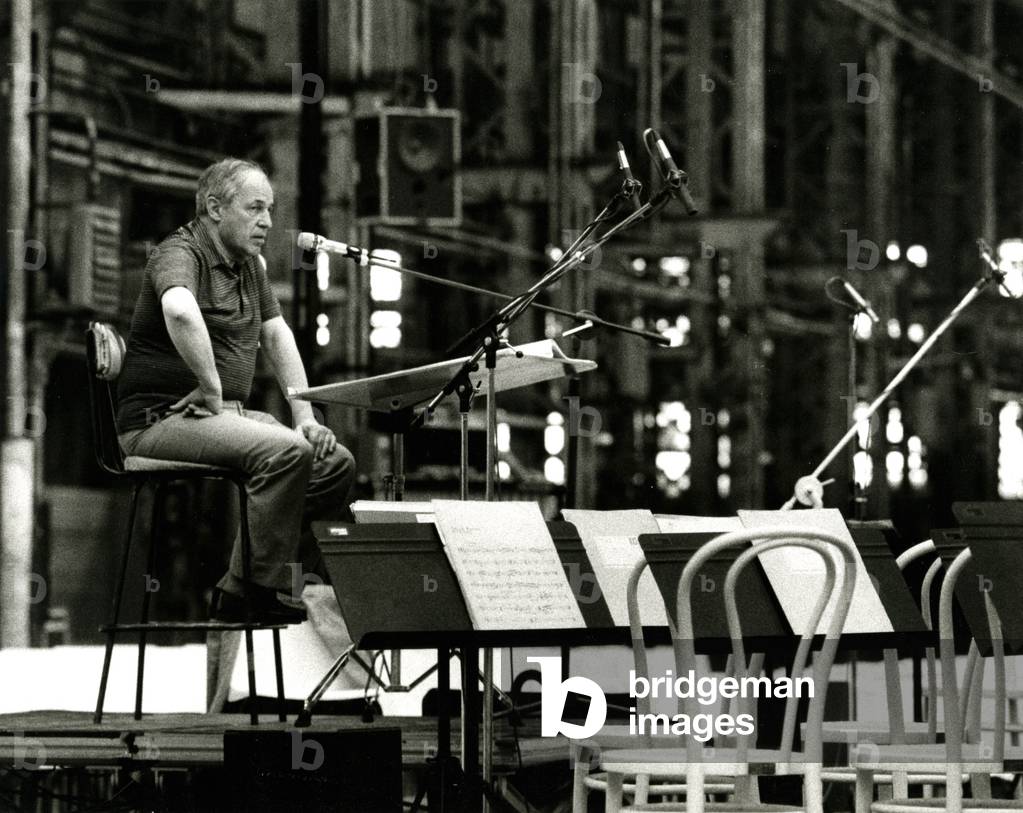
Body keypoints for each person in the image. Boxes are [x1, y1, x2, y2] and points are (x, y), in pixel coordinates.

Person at [115, 157, 354, 623]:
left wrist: (304, 414)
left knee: (334, 464)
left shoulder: (249, 265)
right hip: (160, 421)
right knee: (286, 453)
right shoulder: (180, 252)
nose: (267, 221)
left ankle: (265, 582)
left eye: (271, 210)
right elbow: (180, 310)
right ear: (215, 208)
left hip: (224, 415)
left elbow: (277, 334)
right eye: (255, 208)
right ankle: (251, 589)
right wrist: (210, 386)